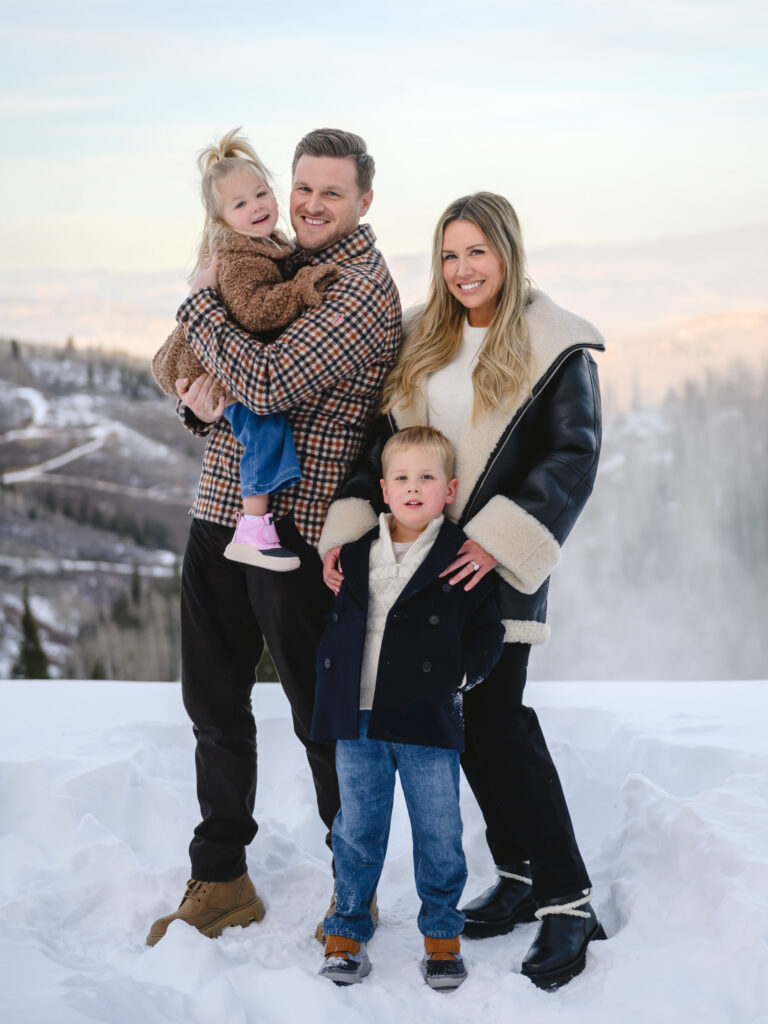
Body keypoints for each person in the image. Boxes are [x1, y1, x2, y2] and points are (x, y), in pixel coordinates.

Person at [319, 192, 606, 990]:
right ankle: (516, 874)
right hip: (419, 571)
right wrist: (349, 525)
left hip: (498, 566)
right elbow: (380, 445)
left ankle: (567, 899)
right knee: (465, 720)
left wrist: (497, 537)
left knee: (501, 720)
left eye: (476, 252)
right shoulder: (423, 337)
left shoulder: (555, 346)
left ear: (507, 253)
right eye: (449, 255)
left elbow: (570, 458)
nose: (462, 269)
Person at [146, 129, 401, 947]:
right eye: (302, 188)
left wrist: (196, 301)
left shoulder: (357, 289)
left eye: (332, 192)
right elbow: (220, 390)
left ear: (365, 199)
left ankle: (352, 893)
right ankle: (221, 879)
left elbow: (265, 378)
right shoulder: (282, 259)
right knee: (214, 707)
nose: (311, 204)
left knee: (317, 716)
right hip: (219, 511)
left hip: (298, 533)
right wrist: (195, 400)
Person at [311, 426, 504, 989]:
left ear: (450, 490)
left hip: (426, 719)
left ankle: (442, 937)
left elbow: (488, 633)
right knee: (356, 831)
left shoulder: (461, 556)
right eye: (401, 478)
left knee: (438, 833)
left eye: (427, 477)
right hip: (358, 718)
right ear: (384, 490)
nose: (413, 487)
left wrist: (463, 675)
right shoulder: (352, 555)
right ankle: (345, 931)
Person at [152, 128, 339, 571]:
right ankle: (254, 529)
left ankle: (256, 524)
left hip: (219, 366)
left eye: (261, 193)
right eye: (240, 204)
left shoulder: (265, 247)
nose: (256, 206)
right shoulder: (240, 258)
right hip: (206, 369)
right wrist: (301, 287)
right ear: (221, 220)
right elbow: (255, 312)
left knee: (263, 423)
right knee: (264, 424)